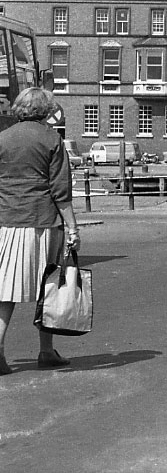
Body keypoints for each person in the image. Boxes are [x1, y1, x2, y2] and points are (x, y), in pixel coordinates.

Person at [0, 88, 80, 375]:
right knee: (47, 288)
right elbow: (61, 191)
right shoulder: (51, 139)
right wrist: (73, 228)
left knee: (5, 291)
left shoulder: (3, 138)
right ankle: (46, 350)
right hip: (42, 222)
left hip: (7, 222)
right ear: (46, 110)